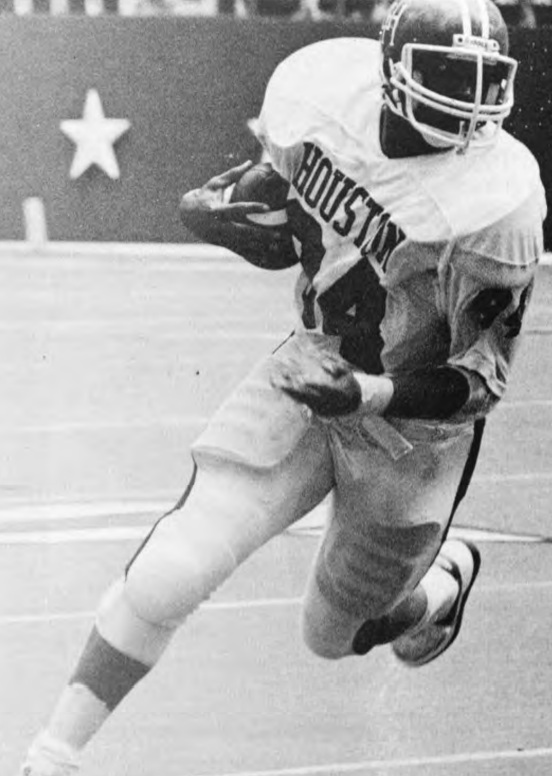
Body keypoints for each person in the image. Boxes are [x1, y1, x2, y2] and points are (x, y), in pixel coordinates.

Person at [17, 0, 546, 773]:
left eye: (480, 80)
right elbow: (290, 207)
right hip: (312, 364)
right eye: (443, 74)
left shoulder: (500, 202)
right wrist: (228, 207)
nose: (464, 101)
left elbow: (479, 382)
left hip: (413, 437)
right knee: (172, 571)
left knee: (335, 635)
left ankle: (441, 585)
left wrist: (367, 395)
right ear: (391, 67)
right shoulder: (323, 91)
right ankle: (50, 756)